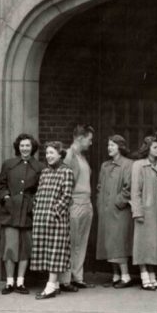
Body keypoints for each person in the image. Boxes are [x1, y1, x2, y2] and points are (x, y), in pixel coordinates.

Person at [0, 133, 44, 295]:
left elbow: (41, 190)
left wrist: (34, 203)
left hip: (28, 212)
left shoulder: (39, 167)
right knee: (10, 247)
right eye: (22, 146)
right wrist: (6, 198)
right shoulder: (8, 164)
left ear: (32, 148)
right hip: (10, 211)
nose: (24, 148)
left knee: (25, 247)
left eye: (28, 146)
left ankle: (20, 282)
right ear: (18, 147)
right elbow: (0, 186)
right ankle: (9, 282)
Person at [29, 141, 75, 299]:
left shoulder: (66, 172)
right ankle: (54, 285)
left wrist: (55, 212)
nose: (48, 156)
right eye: (47, 153)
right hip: (41, 218)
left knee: (56, 250)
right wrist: (36, 210)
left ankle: (49, 286)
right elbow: (39, 193)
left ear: (59, 154)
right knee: (46, 251)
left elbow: (67, 196)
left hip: (56, 219)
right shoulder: (45, 172)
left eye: (52, 153)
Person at [130, 135, 157, 290]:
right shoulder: (139, 165)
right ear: (147, 148)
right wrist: (137, 211)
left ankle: (153, 275)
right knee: (143, 243)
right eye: (155, 147)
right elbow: (135, 191)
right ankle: (144, 274)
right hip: (146, 210)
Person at [95, 135, 134, 288]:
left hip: (119, 211)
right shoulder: (105, 166)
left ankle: (126, 275)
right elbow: (99, 186)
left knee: (119, 242)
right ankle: (115, 275)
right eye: (108, 145)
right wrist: (100, 202)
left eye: (112, 145)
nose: (109, 148)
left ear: (120, 146)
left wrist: (118, 202)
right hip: (105, 209)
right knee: (109, 242)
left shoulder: (128, 164)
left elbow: (129, 187)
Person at [61, 124, 95, 291]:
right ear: (80, 138)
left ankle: (78, 276)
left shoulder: (81, 156)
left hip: (86, 203)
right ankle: (66, 279)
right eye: (89, 139)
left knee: (81, 241)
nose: (91, 143)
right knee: (71, 241)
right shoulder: (69, 156)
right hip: (74, 203)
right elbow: (66, 182)